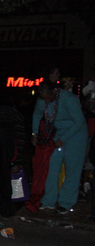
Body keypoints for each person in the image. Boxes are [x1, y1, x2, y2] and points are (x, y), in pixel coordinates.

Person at [30, 81, 87, 214]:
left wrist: (64, 139)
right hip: (58, 132)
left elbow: (79, 121)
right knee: (51, 165)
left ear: (54, 91)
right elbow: (37, 115)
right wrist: (34, 134)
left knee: (72, 168)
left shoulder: (69, 99)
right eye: (44, 99)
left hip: (76, 133)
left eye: (49, 98)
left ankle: (65, 203)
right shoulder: (43, 100)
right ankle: (49, 200)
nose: (47, 101)